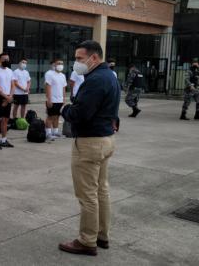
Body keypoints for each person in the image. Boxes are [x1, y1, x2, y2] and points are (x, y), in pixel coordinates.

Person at [59, 40, 120, 256]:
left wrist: (65, 109)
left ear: (93, 58)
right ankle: (102, 235)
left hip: (90, 143)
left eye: (79, 58)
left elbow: (80, 114)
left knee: (87, 195)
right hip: (105, 139)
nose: (76, 63)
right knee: (101, 190)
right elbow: (113, 109)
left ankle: (87, 240)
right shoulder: (110, 76)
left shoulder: (95, 80)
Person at [0, 52, 16, 149]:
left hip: (9, 97)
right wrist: (6, 97)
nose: (6, 60)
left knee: (5, 120)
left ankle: (4, 140)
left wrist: (10, 97)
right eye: (4, 59)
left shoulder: (10, 71)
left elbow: (13, 86)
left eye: (7, 59)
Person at [44, 59, 67, 139]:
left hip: (60, 100)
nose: (60, 65)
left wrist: (64, 99)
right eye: (58, 63)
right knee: (50, 116)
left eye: (62, 63)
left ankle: (55, 132)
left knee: (57, 116)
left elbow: (64, 88)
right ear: (54, 64)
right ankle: (48, 133)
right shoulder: (50, 74)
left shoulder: (63, 76)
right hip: (52, 100)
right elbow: (48, 87)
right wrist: (49, 99)